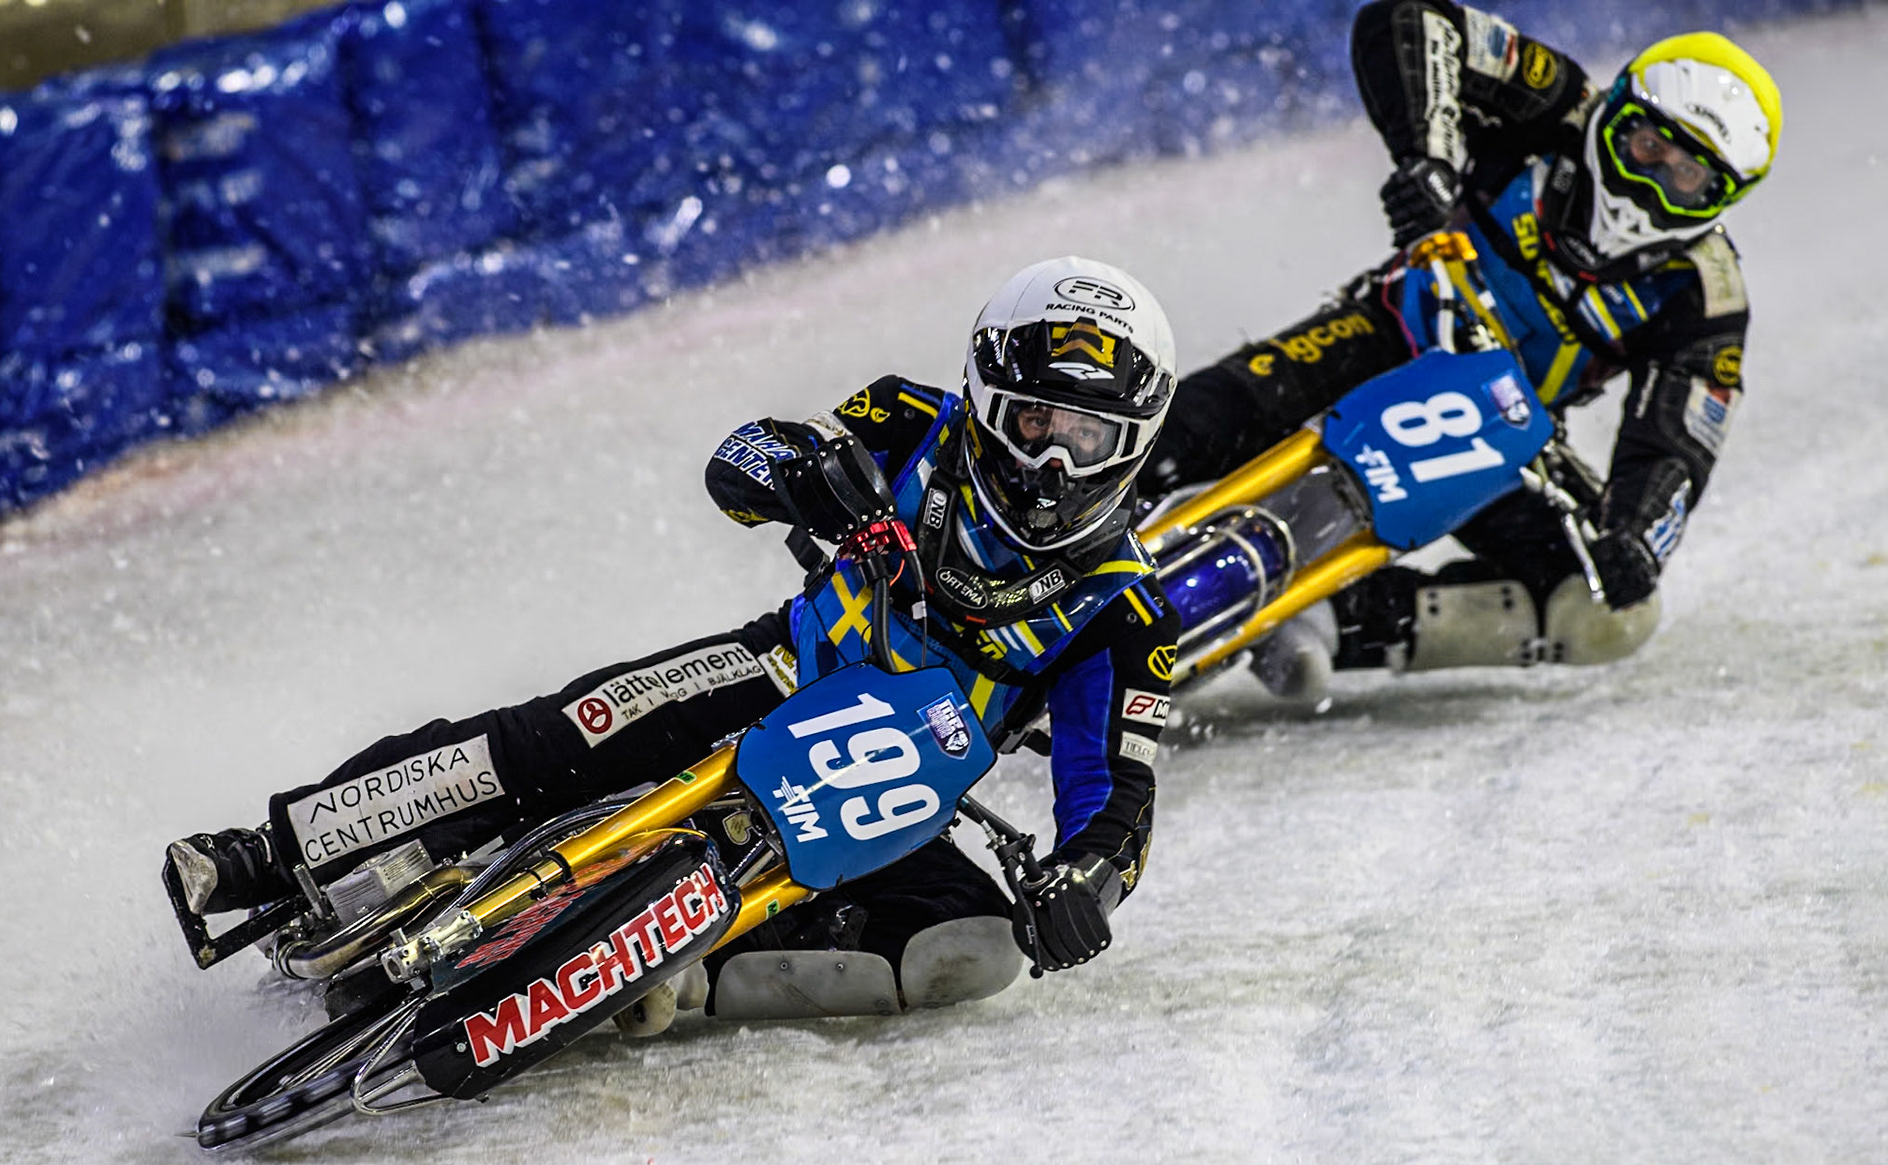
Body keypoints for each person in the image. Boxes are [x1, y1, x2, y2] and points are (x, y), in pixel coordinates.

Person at [166, 256, 1182, 1026]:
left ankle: (682, 973)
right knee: (557, 736)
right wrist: (809, 481)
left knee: (974, 949)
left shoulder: (1125, 609)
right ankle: (272, 848)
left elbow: (1116, 802)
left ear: (1128, 446)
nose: (1051, 460)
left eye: (1085, 437)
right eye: (1035, 421)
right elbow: (744, 457)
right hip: (778, 669)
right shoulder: (908, 415)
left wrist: (1083, 884)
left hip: (898, 793)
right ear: (985, 397)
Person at [1142, 5, 1781, 699]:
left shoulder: (1705, 297)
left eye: (1687, 178)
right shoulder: (1557, 102)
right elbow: (1408, 19)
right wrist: (1426, 157)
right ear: (1614, 111)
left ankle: (1329, 613)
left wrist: (1632, 535)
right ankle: (1045, 532)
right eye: (1644, 147)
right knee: (1178, 433)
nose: (1649, 184)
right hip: (1387, 333)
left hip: (1501, 435)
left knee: (1608, 612)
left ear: (1723, 199)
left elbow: (1675, 445)